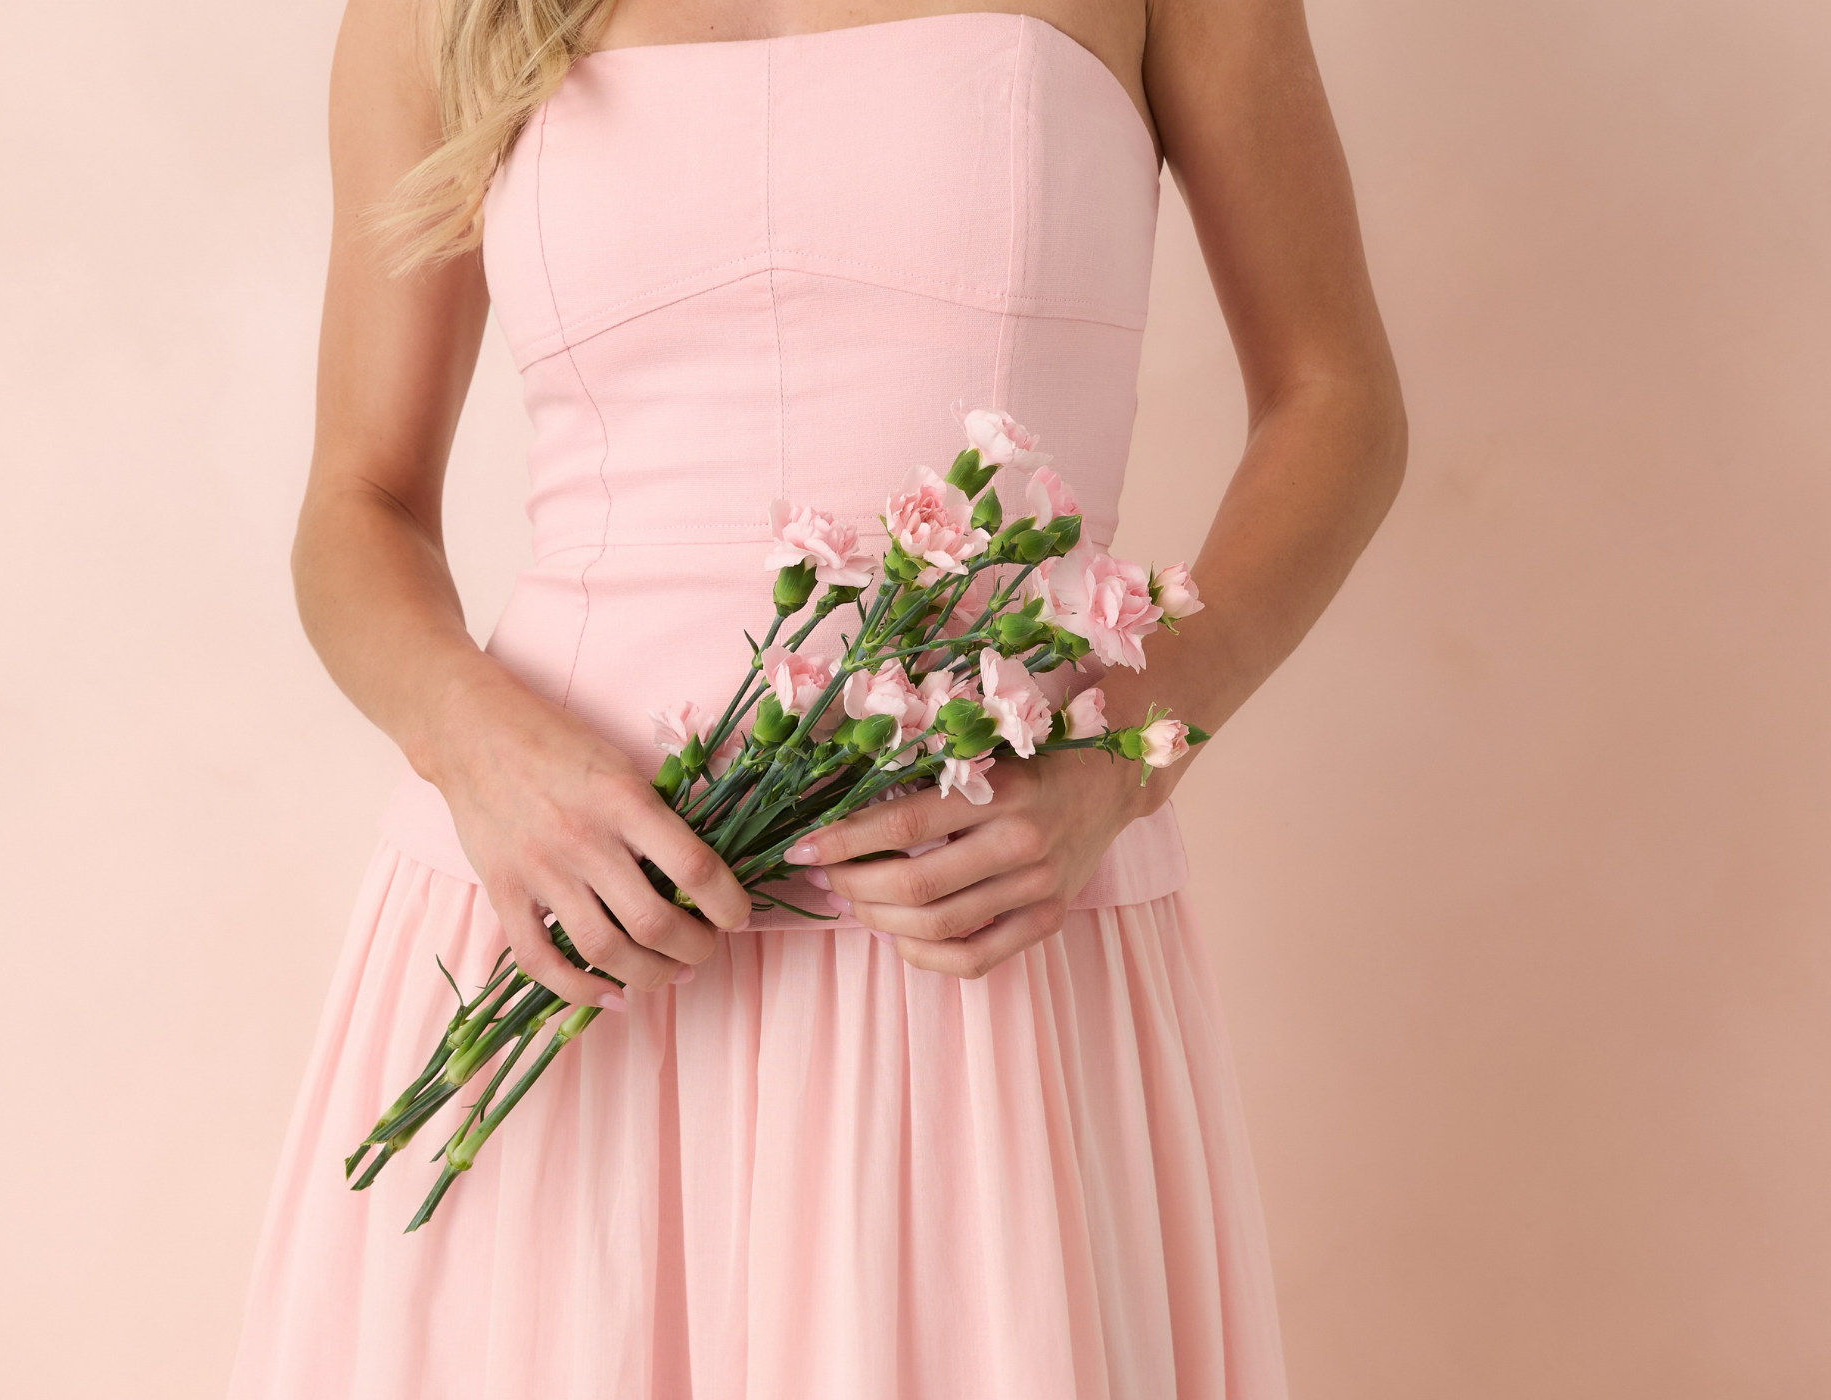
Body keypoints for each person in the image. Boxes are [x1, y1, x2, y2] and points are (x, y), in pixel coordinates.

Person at [232, 0, 1405, 1393]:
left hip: (981, 924)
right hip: (558, 932)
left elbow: (1337, 401)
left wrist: (1121, 755)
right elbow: (356, 505)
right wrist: (470, 742)